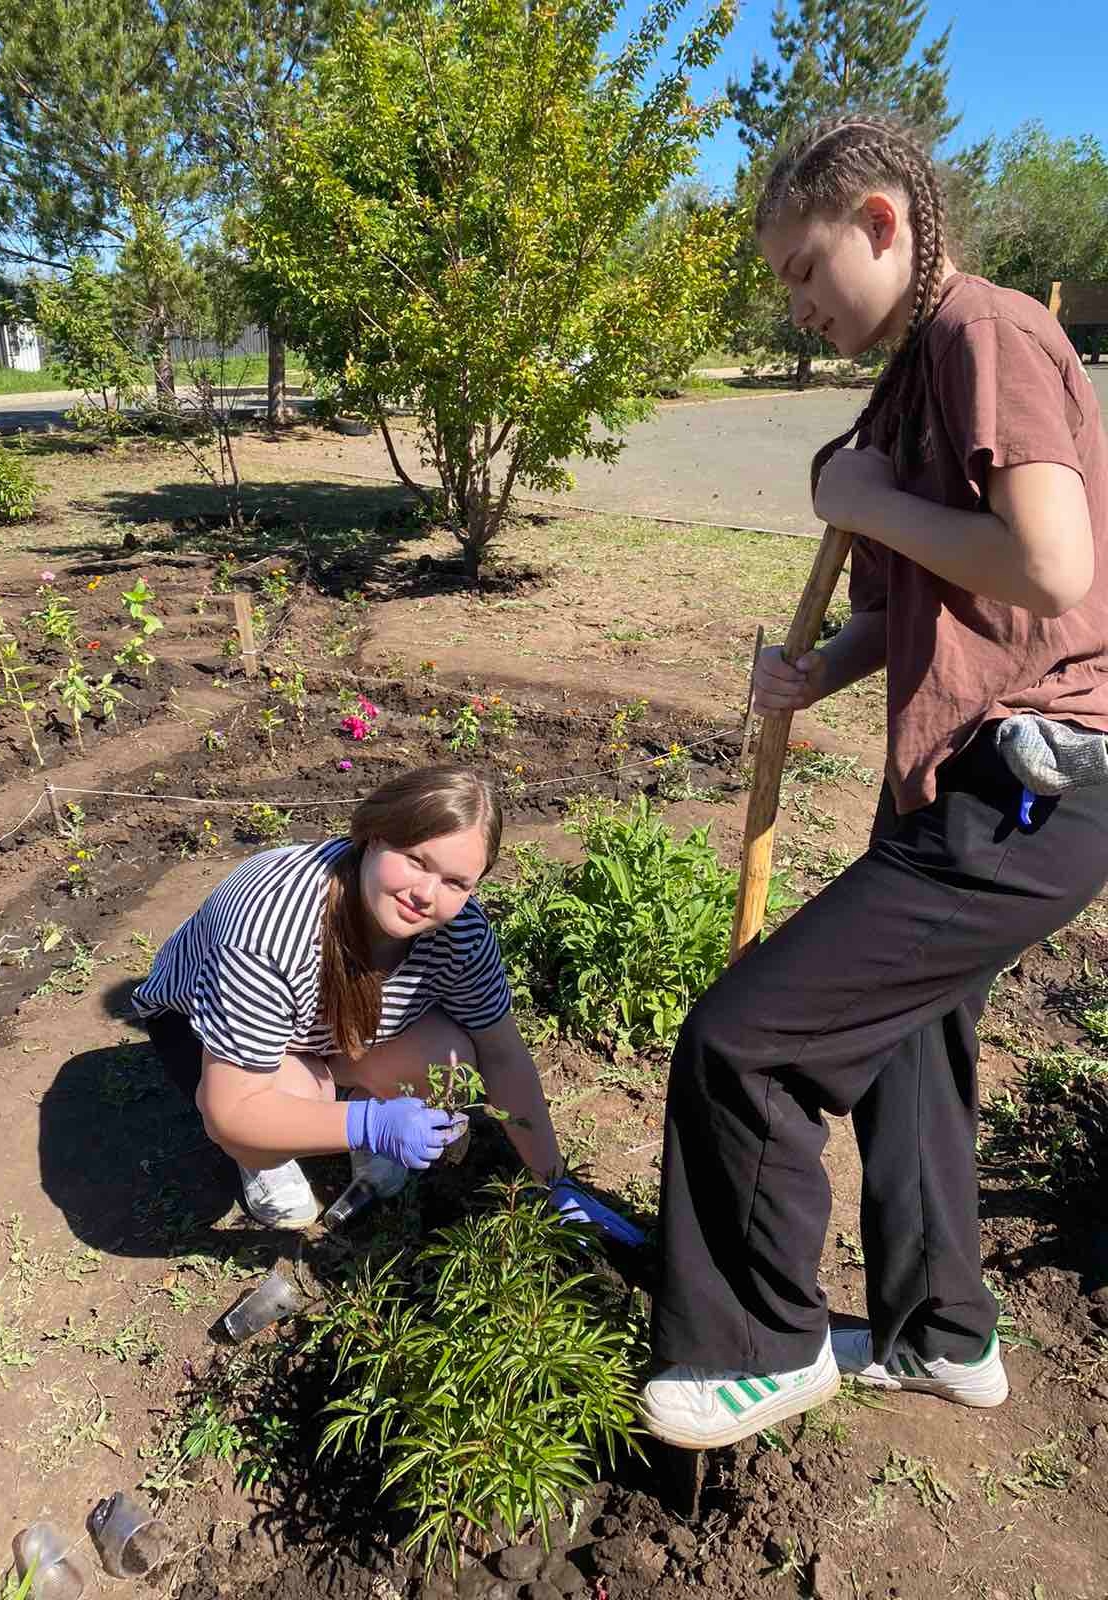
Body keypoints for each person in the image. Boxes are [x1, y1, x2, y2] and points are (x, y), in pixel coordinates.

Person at [640, 114, 1108, 1450]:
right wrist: (816, 676)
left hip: (1036, 789)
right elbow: (936, 606)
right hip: (977, 787)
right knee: (909, 1051)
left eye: (803, 266)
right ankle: (942, 1335)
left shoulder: (987, 333)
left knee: (745, 1044)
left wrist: (858, 494)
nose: (795, 302)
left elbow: (1051, 565)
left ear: (884, 221)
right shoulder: (918, 376)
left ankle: (762, 1344)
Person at [134, 764, 640, 1241]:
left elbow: (502, 1051)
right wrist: (370, 1126)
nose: (426, 893)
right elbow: (233, 1110)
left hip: (331, 1029)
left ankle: (349, 1102)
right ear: (374, 835)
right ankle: (267, 1158)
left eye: (455, 882)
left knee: (451, 1059)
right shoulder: (275, 920)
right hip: (207, 1036)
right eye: (417, 860)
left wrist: (554, 1180)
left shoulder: (460, 934)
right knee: (269, 1108)